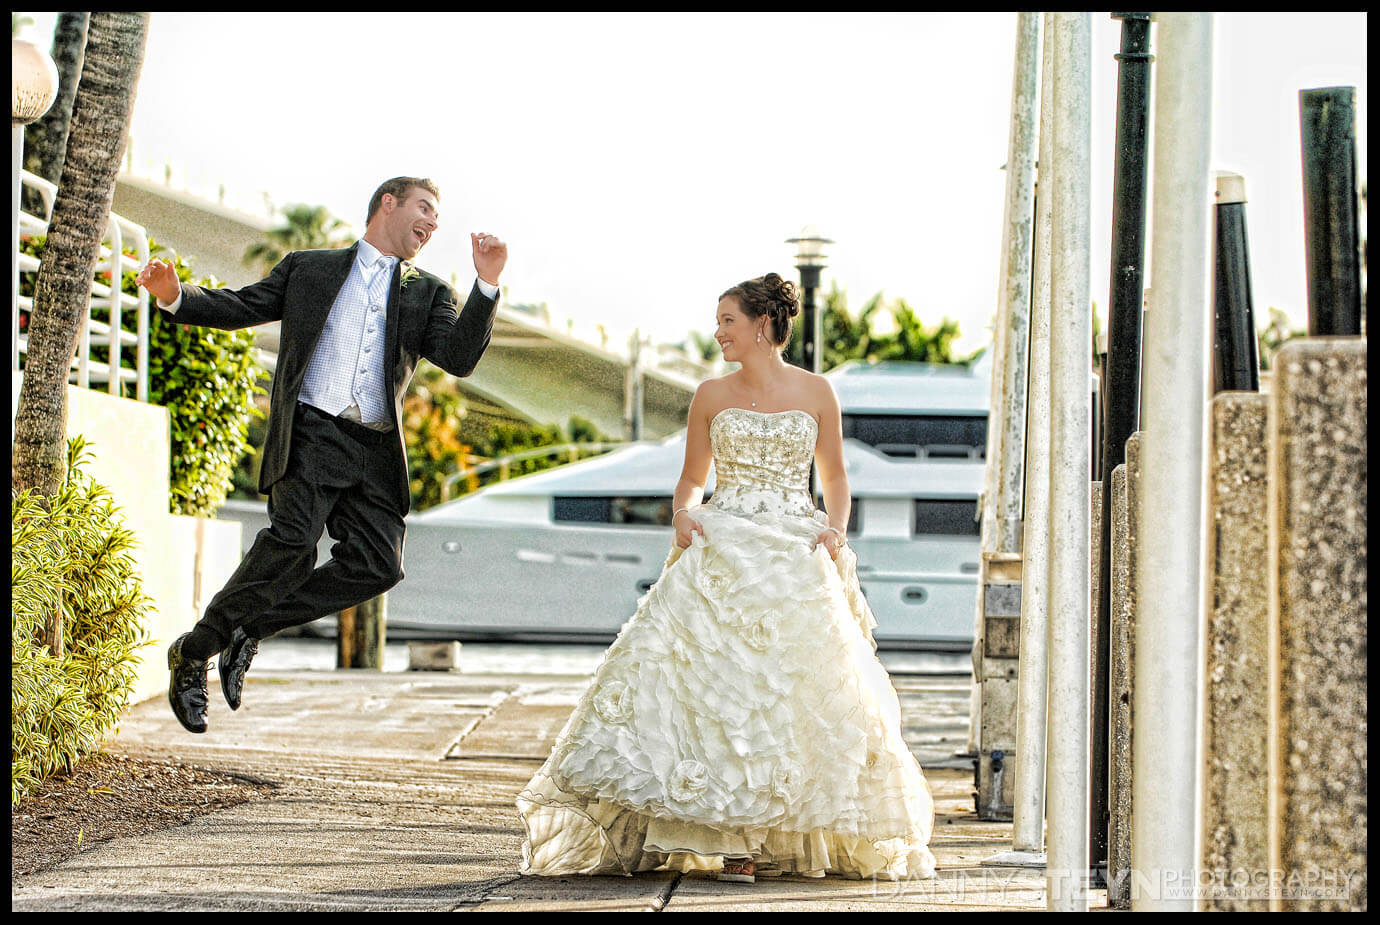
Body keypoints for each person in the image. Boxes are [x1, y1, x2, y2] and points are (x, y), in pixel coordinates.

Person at [516, 273, 936, 883]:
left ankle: (768, 839)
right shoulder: (710, 394)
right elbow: (691, 478)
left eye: (727, 322)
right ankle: (730, 843)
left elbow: (836, 478)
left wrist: (834, 531)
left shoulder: (818, 391)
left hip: (795, 550)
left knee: (791, 697)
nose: (718, 334)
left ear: (763, 326)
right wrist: (684, 513)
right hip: (725, 544)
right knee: (711, 694)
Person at [135, 176, 508, 734]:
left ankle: (247, 627)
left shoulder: (428, 291)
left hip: (372, 447)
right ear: (389, 204)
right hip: (309, 432)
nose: (432, 224)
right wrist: (175, 296)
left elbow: (457, 358)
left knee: (380, 564)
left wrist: (486, 283)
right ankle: (195, 654)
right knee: (292, 545)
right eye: (424, 209)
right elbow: (244, 306)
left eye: (437, 218)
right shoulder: (309, 268)